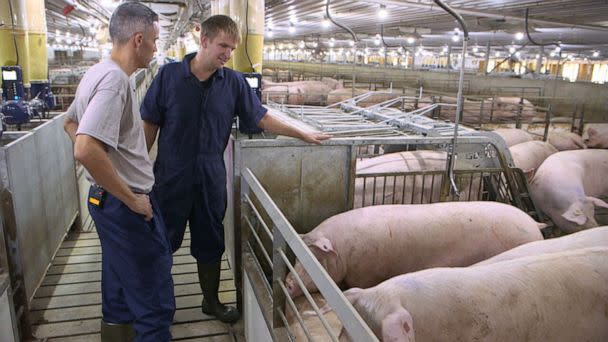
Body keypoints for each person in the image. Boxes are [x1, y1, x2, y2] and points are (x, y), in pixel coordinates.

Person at [140, 15, 329, 323]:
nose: (228, 54)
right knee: (160, 244)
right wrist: (138, 175)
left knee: (211, 244)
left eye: (232, 48)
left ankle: (211, 302)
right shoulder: (169, 76)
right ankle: (157, 306)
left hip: (210, 181)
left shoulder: (234, 83)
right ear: (204, 41)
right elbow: (149, 124)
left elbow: (261, 117)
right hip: (169, 179)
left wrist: (300, 131)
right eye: (222, 46)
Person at [63, 3, 174, 341]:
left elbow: (70, 123)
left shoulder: (98, 71)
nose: (156, 47)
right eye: (154, 40)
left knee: (119, 283)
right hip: (125, 203)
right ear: (138, 39)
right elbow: (84, 148)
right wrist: (131, 199)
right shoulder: (113, 82)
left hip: (104, 201)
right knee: (153, 294)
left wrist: (106, 157)